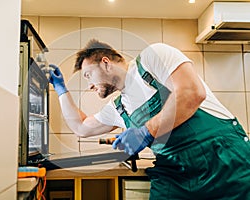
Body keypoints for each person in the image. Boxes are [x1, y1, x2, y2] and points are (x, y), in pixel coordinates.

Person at [49, 39, 250, 199]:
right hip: (175, 176)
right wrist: (60, 90)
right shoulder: (119, 108)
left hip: (224, 160)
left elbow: (191, 93)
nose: (90, 86)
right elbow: (81, 127)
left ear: (105, 63)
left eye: (88, 75)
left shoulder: (153, 57)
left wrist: (146, 132)